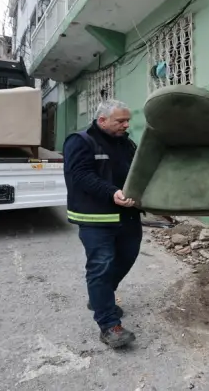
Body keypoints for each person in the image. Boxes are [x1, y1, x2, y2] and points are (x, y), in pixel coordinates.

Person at [63, 99, 141, 348]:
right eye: (121, 121)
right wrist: (111, 192)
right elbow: (81, 175)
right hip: (95, 218)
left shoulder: (126, 143)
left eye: (127, 120)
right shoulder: (80, 141)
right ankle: (109, 325)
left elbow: (137, 172)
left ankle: (100, 297)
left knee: (127, 258)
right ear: (102, 120)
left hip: (127, 215)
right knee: (101, 267)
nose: (126, 125)